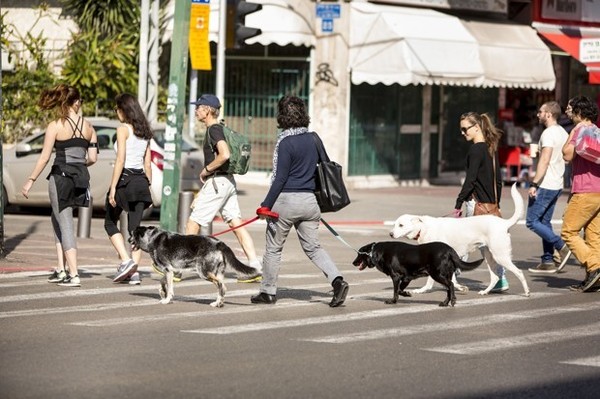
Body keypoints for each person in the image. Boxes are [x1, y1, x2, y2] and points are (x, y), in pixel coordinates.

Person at [251, 95, 349, 307]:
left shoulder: (285, 143)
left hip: (285, 202)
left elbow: (280, 178)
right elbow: (325, 166)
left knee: (274, 249)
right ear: (303, 114)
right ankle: (337, 280)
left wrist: (265, 205)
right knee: (314, 247)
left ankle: (268, 292)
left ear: (281, 116)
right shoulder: (314, 138)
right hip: (309, 202)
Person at [21, 84, 98, 287]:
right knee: (58, 220)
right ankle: (61, 269)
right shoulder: (89, 127)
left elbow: (45, 158)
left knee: (65, 224)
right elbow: (92, 158)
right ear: (77, 102)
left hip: (60, 178)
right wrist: (78, 162)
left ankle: (74, 274)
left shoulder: (55, 125)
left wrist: (31, 180)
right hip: (80, 178)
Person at [186, 94, 262, 280]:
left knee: (193, 222)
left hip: (218, 181)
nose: (196, 110)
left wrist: (205, 170)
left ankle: (180, 266)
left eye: (199, 107)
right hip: (227, 182)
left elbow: (225, 154)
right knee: (236, 224)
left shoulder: (214, 130)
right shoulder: (219, 128)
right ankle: (254, 267)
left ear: (208, 110)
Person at [454, 112, 507, 293]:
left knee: (463, 240)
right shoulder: (491, 148)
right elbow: (498, 180)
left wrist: (458, 202)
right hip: (490, 204)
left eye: (465, 129)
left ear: (476, 127)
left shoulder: (476, 149)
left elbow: (470, 180)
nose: (463, 133)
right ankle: (501, 278)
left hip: (475, 203)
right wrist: (495, 203)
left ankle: (452, 274)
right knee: (489, 245)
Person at [105, 93, 154, 284]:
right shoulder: (145, 132)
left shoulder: (123, 129)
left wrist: (112, 187)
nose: (116, 113)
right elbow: (148, 165)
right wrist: (147, 186)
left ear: (124, 110)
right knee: (136, 231)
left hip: (125, 180)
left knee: (109, 221)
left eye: (117, 109)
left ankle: (126, 261)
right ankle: (134, 273)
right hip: (141, 182)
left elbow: (120, 160)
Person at [527, 101, 571, 274]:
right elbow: (563, 158)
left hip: (545, 183)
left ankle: (561, 246)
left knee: (532, 221)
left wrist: (534, 183)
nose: (538, 114)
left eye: (540, 112)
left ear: (549, 114)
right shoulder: (561, 132)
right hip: (557, 183)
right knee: (544, 221)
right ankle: (547, 260)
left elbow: (545, 161)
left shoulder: (548, 134)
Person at [561, 96, 600, 292]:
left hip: (585, 190)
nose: (567, 111)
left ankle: (594, 267)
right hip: (598, 191)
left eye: (570, 108)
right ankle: (594, 280)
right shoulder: (596, 130)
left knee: (568, 231)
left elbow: (567, 154)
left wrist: (573, 132)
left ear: (579, 111)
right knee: (593, 235)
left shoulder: (580, 129)